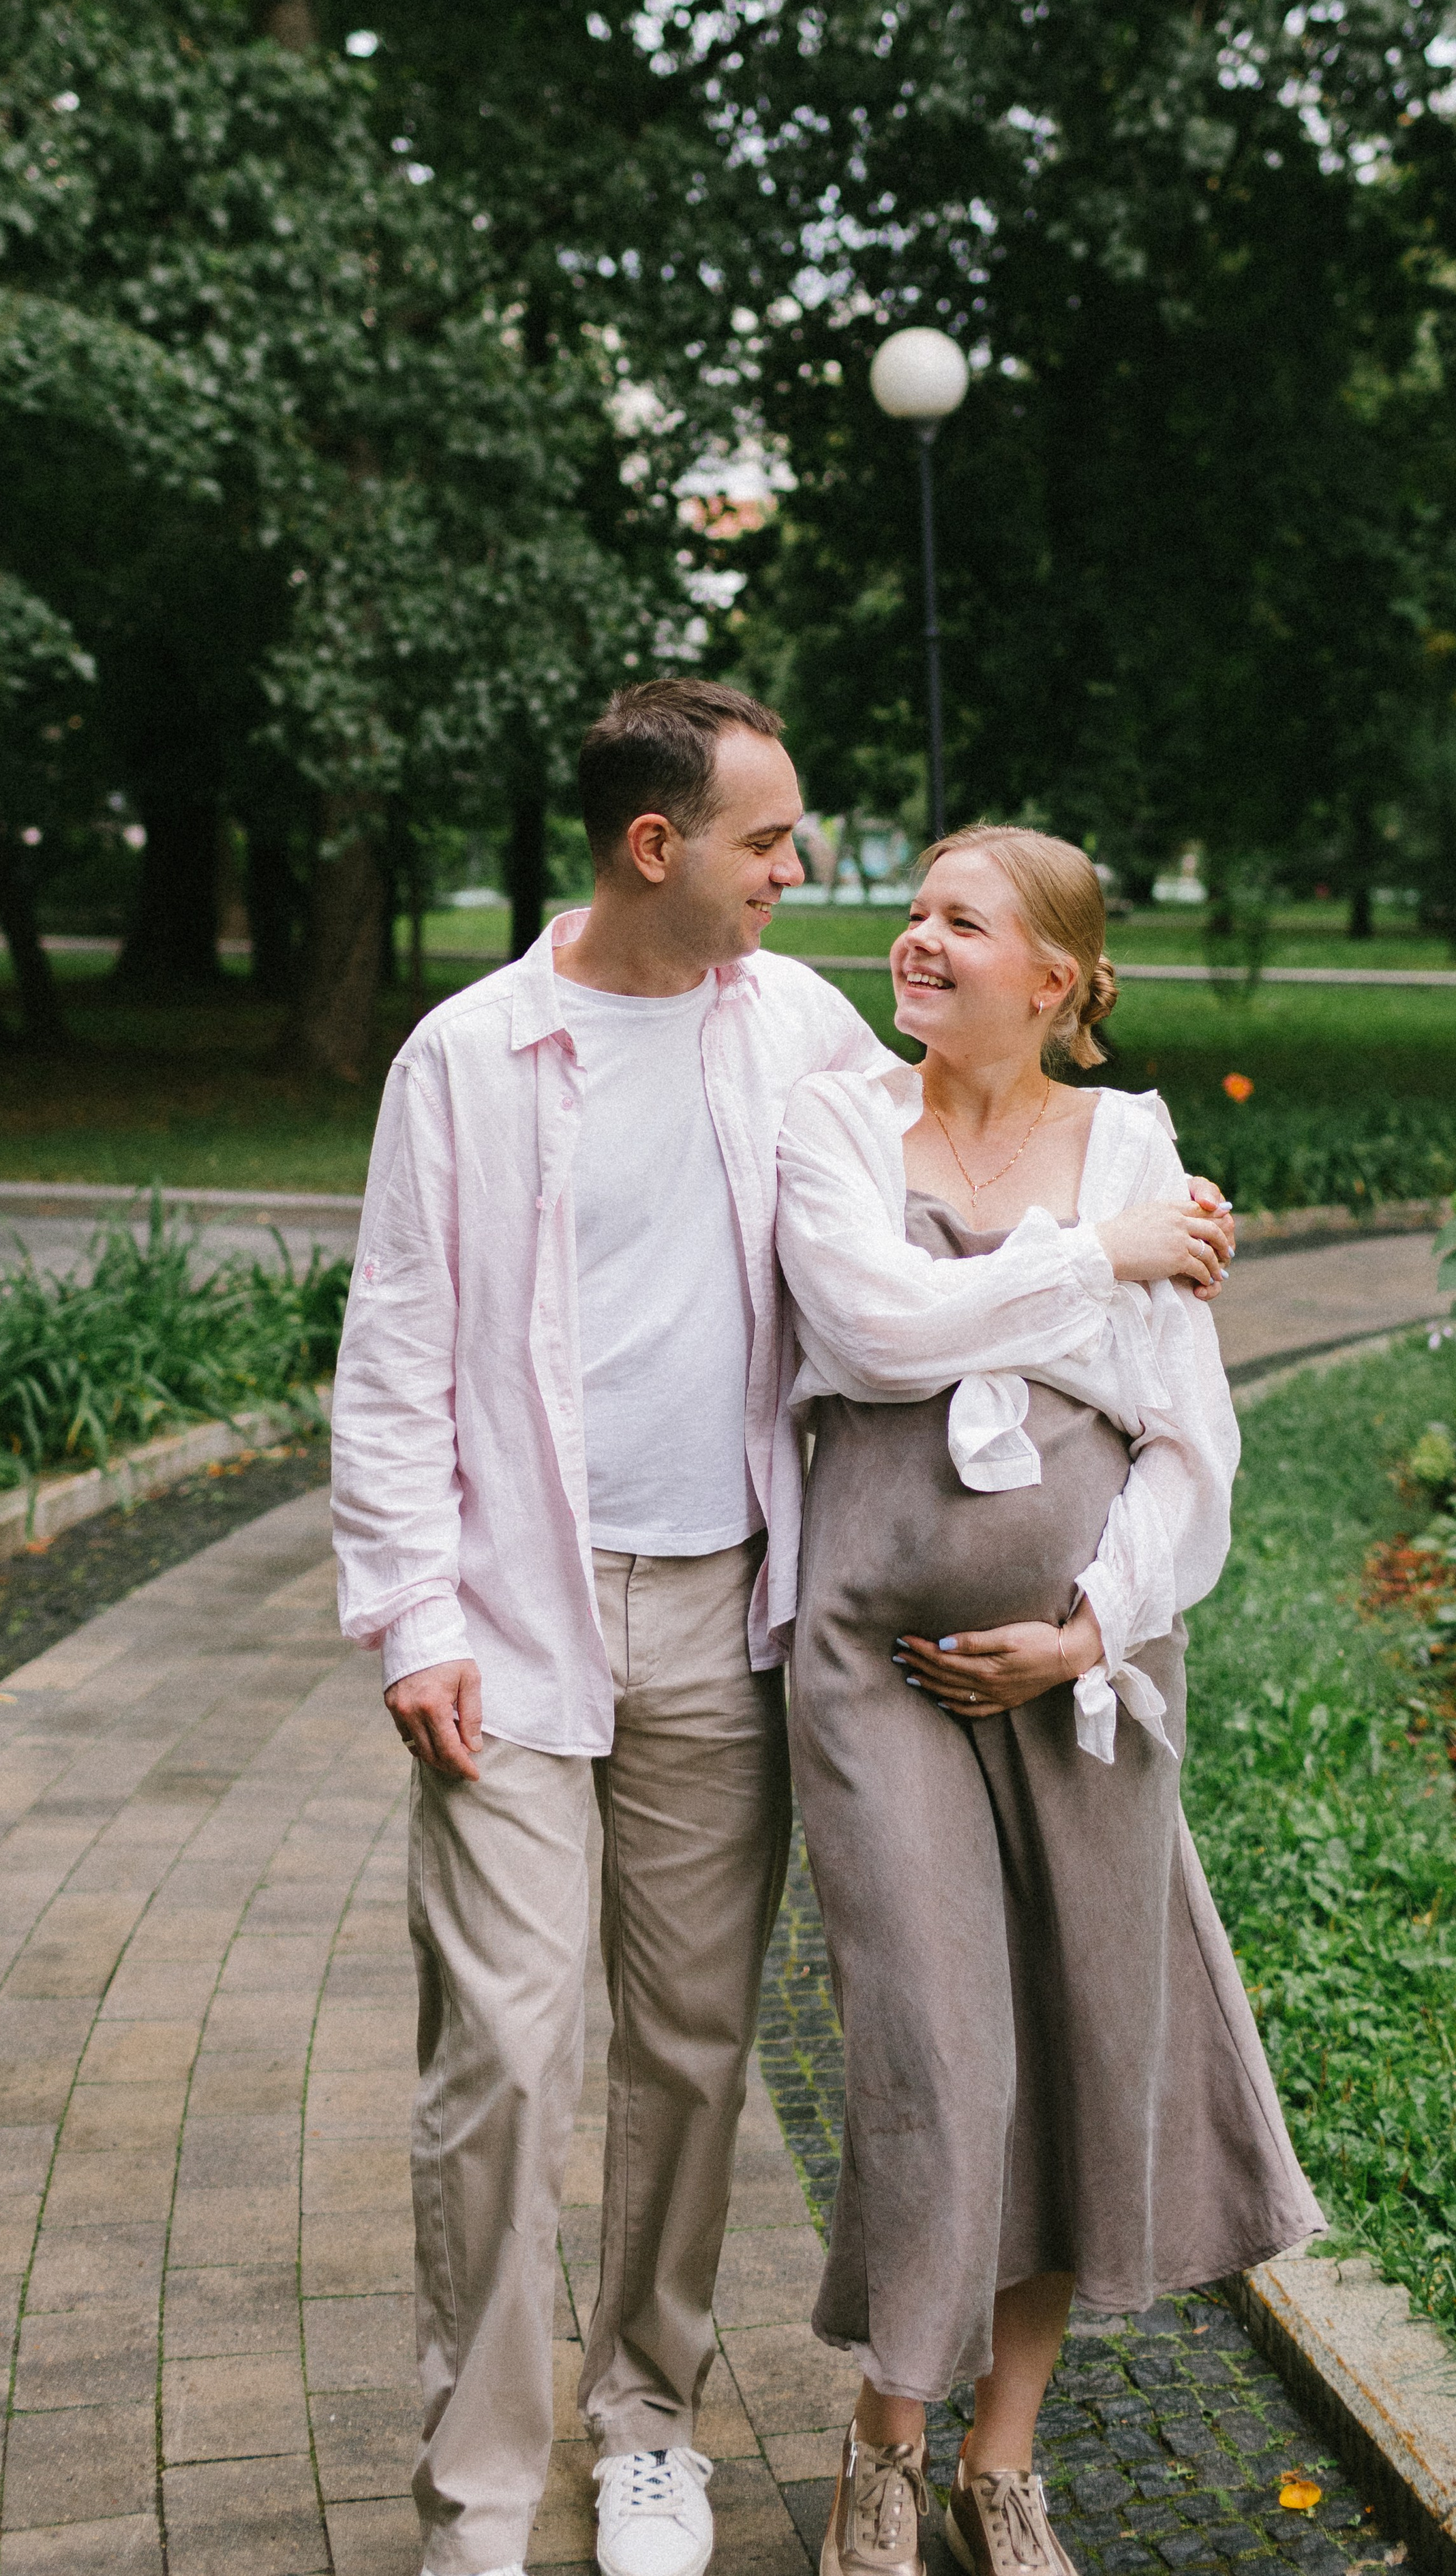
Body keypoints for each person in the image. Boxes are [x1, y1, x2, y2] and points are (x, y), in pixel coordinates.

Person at [331, 688, 1234, 2576]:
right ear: (658, 848)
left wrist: (1141, 1227)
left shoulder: (800, 1040)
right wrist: (413, 1615)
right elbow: (396, 1359)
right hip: (514, 1629)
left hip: (736, 1616)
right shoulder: (470, 1058)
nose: (799, 871)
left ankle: (648, 2419)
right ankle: (480, 2504)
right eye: (769, 841)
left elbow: (982, 1229)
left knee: (689, 2046)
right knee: (501, 2056)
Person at [774, 825, 1324, 2576]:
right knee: (935, 2055)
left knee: (1081, 2048)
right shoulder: (840, 1123)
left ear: (1059, 980)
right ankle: (884, 2434)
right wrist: (1098, 1262)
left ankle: (997, 2464)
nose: (915, 939)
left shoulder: (1136, 1147)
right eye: (911, 911)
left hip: (1086, 1678)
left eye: (962, 919)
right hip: (873, 1666)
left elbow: (1185, 1444)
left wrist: (1083, 1635)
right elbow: (867, 1329)